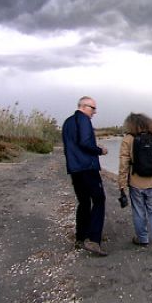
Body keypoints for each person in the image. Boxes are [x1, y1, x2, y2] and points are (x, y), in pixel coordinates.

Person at [62, 96, 109, 256]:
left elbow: (72, 145)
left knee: (83, 202)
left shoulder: (67, 122)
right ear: (82, 106)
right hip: (87, 168)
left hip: (75, 169)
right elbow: (85, 143)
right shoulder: (83, 120)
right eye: (92, 108)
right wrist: (100, 150)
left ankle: (81, 238)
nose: (95, 112)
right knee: (99, 199)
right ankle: (93, 240)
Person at [118, 113, 152, 255]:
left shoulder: (128, 139)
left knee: (138, 211)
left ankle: (142, 238)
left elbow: (124, 164)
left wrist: (121, 185)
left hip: (136, 182)